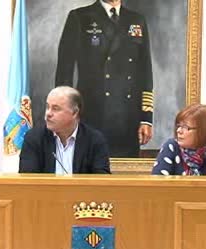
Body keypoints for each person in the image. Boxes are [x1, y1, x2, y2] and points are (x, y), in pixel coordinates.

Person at [55, 0, 153, 157]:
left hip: (128, 119)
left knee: (125, 177)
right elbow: (64, 72)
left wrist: (146, 119)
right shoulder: (80, 17)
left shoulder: (137, 20)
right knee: (89, 175)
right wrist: (65, 114)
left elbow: (145, 72)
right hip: (91, 115)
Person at [19, 86, 111, 174]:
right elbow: (28, 180)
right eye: (47, 107)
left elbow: (102, 182)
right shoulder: (34, 138)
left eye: (55, 109)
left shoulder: (94, 140)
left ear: (75, 112)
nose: (48, 113)